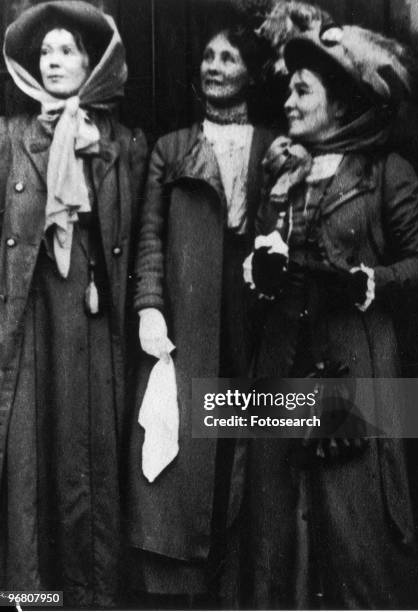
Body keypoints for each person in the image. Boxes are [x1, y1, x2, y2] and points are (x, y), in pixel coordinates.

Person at [242, 15, 418, 610]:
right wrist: (261, 266)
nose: (289, 101)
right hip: (286, 356)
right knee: (283, 512)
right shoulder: (283, 168)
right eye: (289, 89)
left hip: (355, 360)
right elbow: (257, 242)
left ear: (342, 101)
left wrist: (372, 281)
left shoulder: (384, 173)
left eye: (303, 90)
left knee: (352, 511)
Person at [0, 2, 147, 607]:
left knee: (89, 452)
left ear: (92, 61)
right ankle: (33, 597)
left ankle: (91, 597)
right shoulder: (11, 139)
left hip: (92, 313)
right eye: (46, 53)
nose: (55, 62)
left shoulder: (122, 142)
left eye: (67, 51)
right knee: (31, 453)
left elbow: (139, 234)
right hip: (29, 315)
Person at [126, 18, 274, 606]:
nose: (214, 66)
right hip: (190, 305)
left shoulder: (273, 146)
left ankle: (239, 576)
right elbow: (151, 237)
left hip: (251, 308)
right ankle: (182, 582)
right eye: (208, 57)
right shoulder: (172, 147)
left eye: (228, 58)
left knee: (249, 426)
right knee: (190, 437)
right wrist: (149, 305)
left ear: (252, 74)